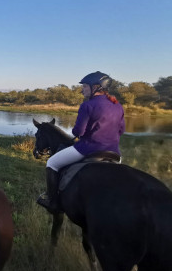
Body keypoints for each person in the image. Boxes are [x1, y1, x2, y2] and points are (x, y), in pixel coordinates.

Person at [37, 71, 126, 213]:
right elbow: (121, 130)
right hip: (114, 153)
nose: (82, 89)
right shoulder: (117, 106)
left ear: (96, 87)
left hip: (88, 148)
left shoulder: (87, 106)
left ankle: (52, 201)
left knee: (51, 163)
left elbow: (79, 132)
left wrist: (77, 131)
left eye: (85, 86)